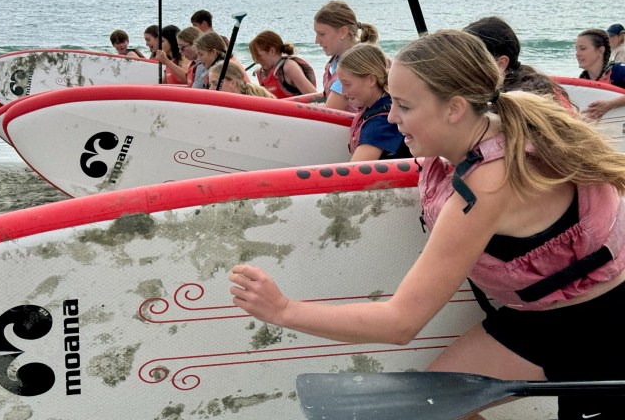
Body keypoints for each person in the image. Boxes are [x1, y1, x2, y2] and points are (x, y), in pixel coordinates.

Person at [230, 29, 625, 420]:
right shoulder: (488, 129)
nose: (391, 116)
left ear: (454, 108)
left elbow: (401, 323)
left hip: (597, 326)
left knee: (424, 410)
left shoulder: (488, 184)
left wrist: (282, 310)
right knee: (429, 409)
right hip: (539, 313)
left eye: (404, 105)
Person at [463, 16, 571, 109]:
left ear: (501, 63)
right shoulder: (531, 82)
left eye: (470, 60)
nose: (462, 66)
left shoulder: (523, 97)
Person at [337, 43, 409, 161]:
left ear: (371, 80)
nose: (343, 92)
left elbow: (355, 174)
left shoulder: (381, 123)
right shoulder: (380, 106)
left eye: (347, 84)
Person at [313, 0, 379, 112]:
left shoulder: (353, 67)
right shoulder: (335, 60)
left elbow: (329, 111)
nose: (316, 41)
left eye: (322, 34)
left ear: (343, 32)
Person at [249, 30, 317, 99]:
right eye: (254, 57)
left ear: (272, 51)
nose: (256, 61)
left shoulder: (289, 67)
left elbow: (315, 98)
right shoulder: (261, 74)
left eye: (259, 56)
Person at [576, 29, 625, 119]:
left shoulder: (618, 71)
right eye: (576, 49)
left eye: (583, 49)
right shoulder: (583, 80)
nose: (577, 54)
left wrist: (610, 104)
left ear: (601, 50)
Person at [208, 62, 276, 99]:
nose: (210, 89)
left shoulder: (252, 103)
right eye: (210, 85)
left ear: (233, 83)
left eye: (215, 84)